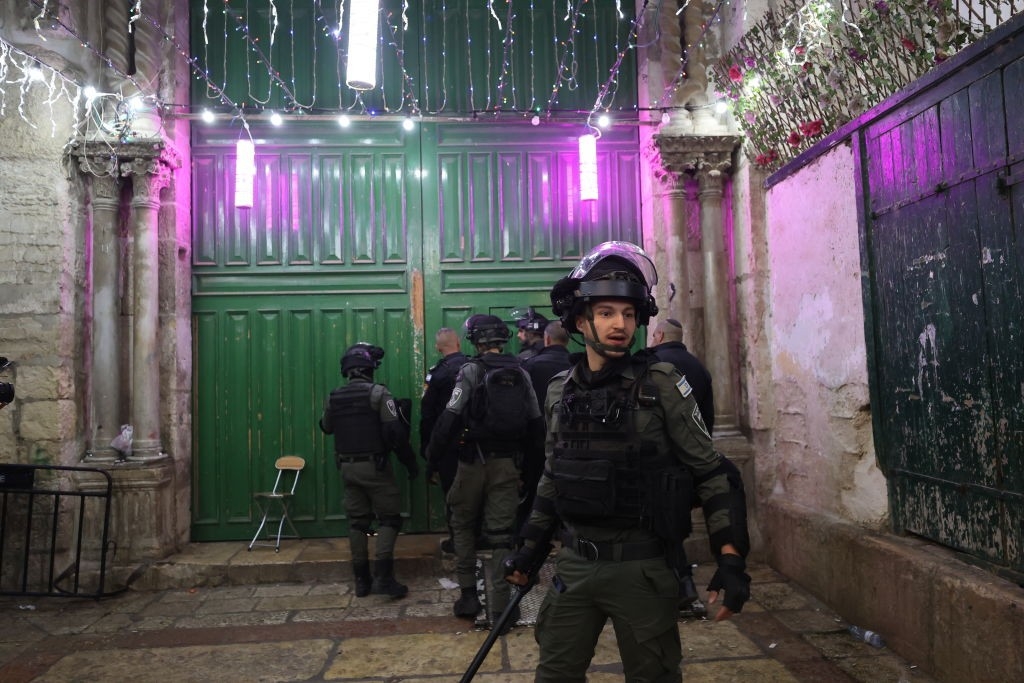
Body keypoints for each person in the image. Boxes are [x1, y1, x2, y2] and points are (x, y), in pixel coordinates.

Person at [505, 241, 751, 682]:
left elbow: (713, 473)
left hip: (641, 569)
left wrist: (730, 560)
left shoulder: (661, 384)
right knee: (554, 675)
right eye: (606, 313)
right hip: (575, 565)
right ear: (581, 321)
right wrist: (529, 550)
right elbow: (552, 476)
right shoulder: (560, 390)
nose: (620, 324)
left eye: (629, 314)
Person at [425, 314, 544, 631]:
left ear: (475, 341)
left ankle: (468, 596)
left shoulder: (470, 370)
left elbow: (450, 417)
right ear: (502, 340)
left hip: (472, 463)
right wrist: (531, 470)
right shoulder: (521, 371)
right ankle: (503, 609)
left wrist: (432, 458)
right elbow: (536, 423)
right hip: (508, 464)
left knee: (462, 523)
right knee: (502, 535)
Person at [319, 342, 419, 599]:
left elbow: (326, 427)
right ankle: (383, 578)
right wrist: (410, 463)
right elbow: (395, 432)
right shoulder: (379, 394)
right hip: (375, 467)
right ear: (370, 368)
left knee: (358, 522)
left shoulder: (334, 396)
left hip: (347, 467)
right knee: (389, 519)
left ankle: (361, 581)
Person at [518, 320, 573, 529]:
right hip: (572, 441)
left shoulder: (530, 366)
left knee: (534, 490)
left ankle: (531, 535)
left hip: (535, 442)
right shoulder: (580, 366)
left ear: (547, 339)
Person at [420, 327, 469, 553]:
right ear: (458, 343)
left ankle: (457, 541)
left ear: (438, 348)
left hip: (447, 444)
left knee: (452, 493)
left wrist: (427, 447)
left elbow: (428, 414)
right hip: (476, 442)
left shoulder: (437, 375)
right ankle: (479, 537)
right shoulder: (474, 367)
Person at [649, 317, 715, 436]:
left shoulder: (652, 362)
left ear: (660, 335)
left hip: (660, 441)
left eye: (654, 336)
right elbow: (707, 415)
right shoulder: (700, 367)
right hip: (693, 440)